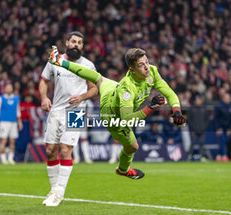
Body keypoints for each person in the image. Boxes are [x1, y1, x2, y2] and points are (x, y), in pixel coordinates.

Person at [48, 45, 185, 179]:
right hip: (112, 114)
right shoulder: (127, 88)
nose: (146, 67)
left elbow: (169, 92)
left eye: (147, 62)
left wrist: (177, 110)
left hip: (112, 88)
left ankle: (59, 61)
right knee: (132, 147)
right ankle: (123, 170)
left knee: (98, 78)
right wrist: (149, 107)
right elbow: (127, 120)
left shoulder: (152, 72)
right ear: (132, 70)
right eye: (141, 65)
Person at [39, 31, 98, 207]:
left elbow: (95, 88)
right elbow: (43, 81)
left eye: (80, 42)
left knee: (65, 150)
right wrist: (44, 97)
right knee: (50, 150)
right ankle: (54, 189)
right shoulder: (55, 61)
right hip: (56, 110)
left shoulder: (88, 65)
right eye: (73, 41)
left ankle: (59, 192)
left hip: (76, 112)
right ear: (67, 42)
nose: (76, 45)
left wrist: (82, 97)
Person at [0, 83, 23, 165]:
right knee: (3, 140)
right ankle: (3, 158)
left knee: (12, 141)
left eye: (10, 87)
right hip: (4, 122)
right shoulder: (0, 98)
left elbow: (18, 111)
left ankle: (10, 158)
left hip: (13, 122)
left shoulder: (16, 98)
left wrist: (20, 122)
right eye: (7, 87)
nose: (9, 89)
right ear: (5, 89)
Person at [187, 95, 211, 161]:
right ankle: (188, 157)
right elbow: (189, 119)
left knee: (202, 143)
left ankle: (202, 157)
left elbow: (207, 120)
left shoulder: (204, 109)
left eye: (199, 100)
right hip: (194, 130)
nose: (198, 101)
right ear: (195, 101)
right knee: (192, 143)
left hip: (202, 130)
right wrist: (193, 127)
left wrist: (204, 127)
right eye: (197, 100)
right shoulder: (191, 108)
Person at [214, 93, 231, 162]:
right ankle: (223, 155)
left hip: (227, 128)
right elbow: (216, 118)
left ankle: (219, 155)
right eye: (226, 98)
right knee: (222, 141)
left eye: (228, 98)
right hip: (221, 127)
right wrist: (217, 128)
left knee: (224, 141)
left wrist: (230, 128)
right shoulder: (219, 106)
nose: (227, 99)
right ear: (223, 98)